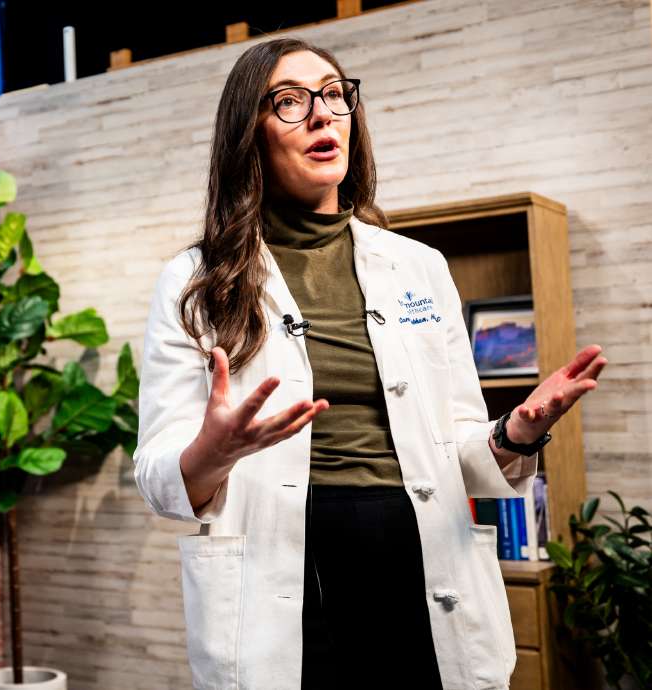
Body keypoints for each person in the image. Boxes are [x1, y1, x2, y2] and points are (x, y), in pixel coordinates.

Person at [132, 37, 606, 690]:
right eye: (290, 102)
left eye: (333, 94)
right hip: (287, 570)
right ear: (251, 134)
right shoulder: (195, 281)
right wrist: (212, 451)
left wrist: (514, 433)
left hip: (417, 554)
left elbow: (461, 452)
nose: (322, 114)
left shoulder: (419, 267)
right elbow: (158, 474)